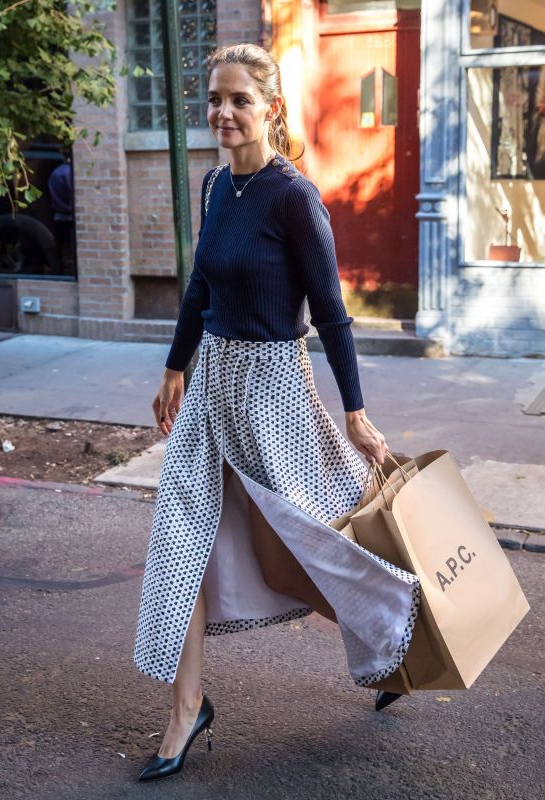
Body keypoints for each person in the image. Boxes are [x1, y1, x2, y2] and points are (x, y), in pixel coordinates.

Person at [134, 43, 420, 783]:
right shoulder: (212, 187)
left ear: (272, 110)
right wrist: (174, 367)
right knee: (179, 536)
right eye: (215, 99)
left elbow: (332, 312)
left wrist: (356, 414)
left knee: (317, 538)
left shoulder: (293, 197)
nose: (223, 112)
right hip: (210, 390)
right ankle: (185, 706)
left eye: (239, 100)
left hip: (274, 393)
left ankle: (399, 643)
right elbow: (199, 286)